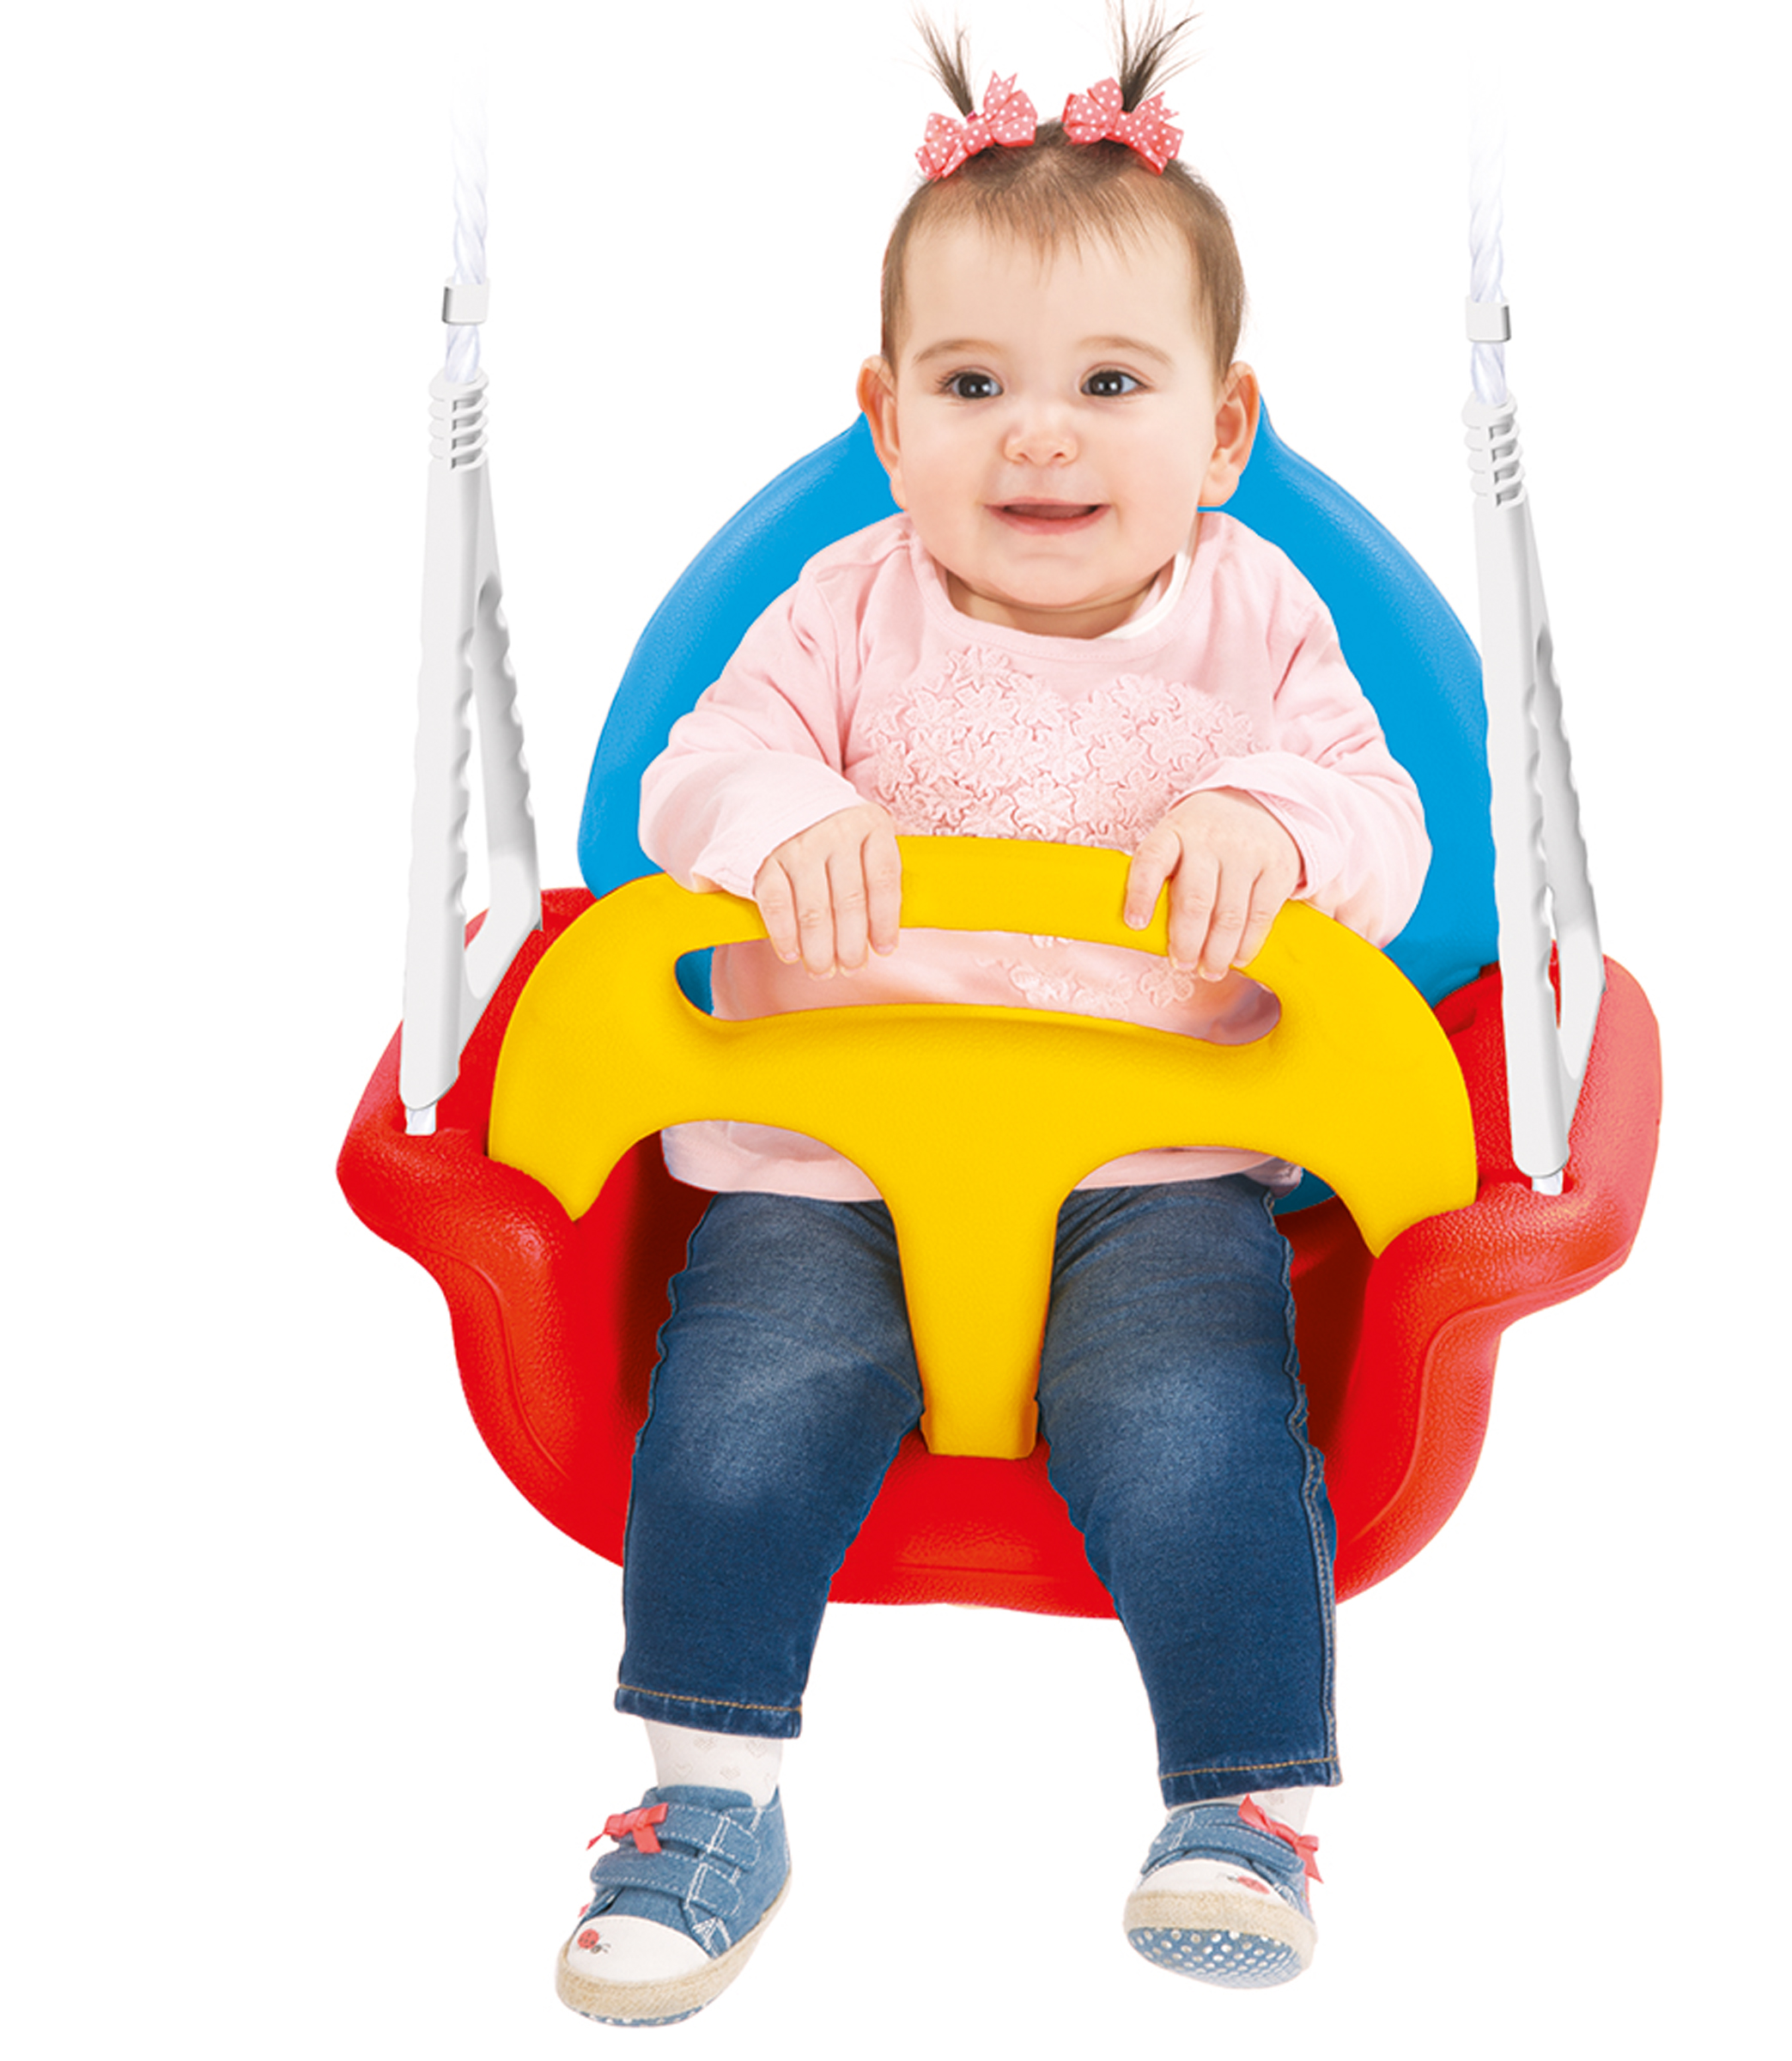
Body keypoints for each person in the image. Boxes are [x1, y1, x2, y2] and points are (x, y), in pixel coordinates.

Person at [556, 15, 1429, 2027]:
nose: (1040, 437)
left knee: (1193, 1425)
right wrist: (784, 817)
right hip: (829, 1152)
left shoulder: (1261, 621)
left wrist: (1272, 820)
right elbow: (692, 780)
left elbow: (1383, 833)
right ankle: (705, 1801)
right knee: (739, 1417)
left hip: (1154, 1154)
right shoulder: (839, 612)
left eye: (1111, 385)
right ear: (886, 420)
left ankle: (1244, 1807)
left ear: (1223, 429)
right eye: (973, 386)